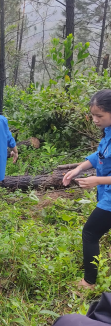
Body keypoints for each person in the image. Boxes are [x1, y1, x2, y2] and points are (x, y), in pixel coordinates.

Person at [63, 89, 111, 289]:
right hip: (107, 194)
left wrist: (97, 180)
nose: (95, 120)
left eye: (99, 115)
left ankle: (88, 282)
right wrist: (79, 168)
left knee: (90, 232)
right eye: (93, 115)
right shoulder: (108, 131)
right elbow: (100, 154)